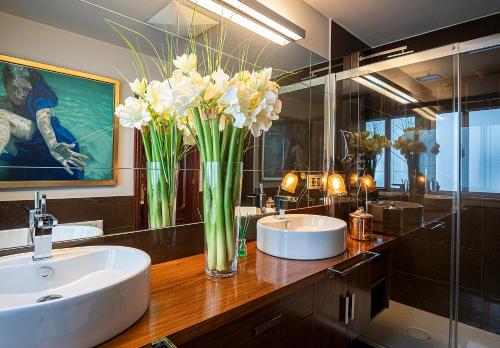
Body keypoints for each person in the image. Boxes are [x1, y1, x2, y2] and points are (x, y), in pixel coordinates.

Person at [0, 64, 87, 180]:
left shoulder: (39, 96)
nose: (19, 94)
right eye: (14, 88)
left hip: (56, 145)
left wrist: (52, 144)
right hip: (31, 149)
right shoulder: (4, 102)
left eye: (25, 89)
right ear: (5, 86)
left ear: (31, 86)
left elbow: (43, 120)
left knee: (2, 115)